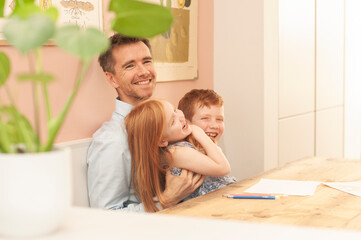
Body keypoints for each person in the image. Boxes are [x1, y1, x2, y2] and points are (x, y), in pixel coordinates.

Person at [87, 34, 204, 212]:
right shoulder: (112, 140)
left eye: (147, 61)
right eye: (130, 65)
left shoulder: (169, 120)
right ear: (112, 79)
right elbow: (105, 216)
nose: (143, 71)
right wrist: (166, 200)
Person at [125, 98, 234, 212]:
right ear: (162, 141)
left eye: (175, 110)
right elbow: (223, 168)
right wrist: (200, 134)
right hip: (216, 204)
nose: (181, 117)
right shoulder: (176, 152)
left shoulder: (172, 150)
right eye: (173, 121)